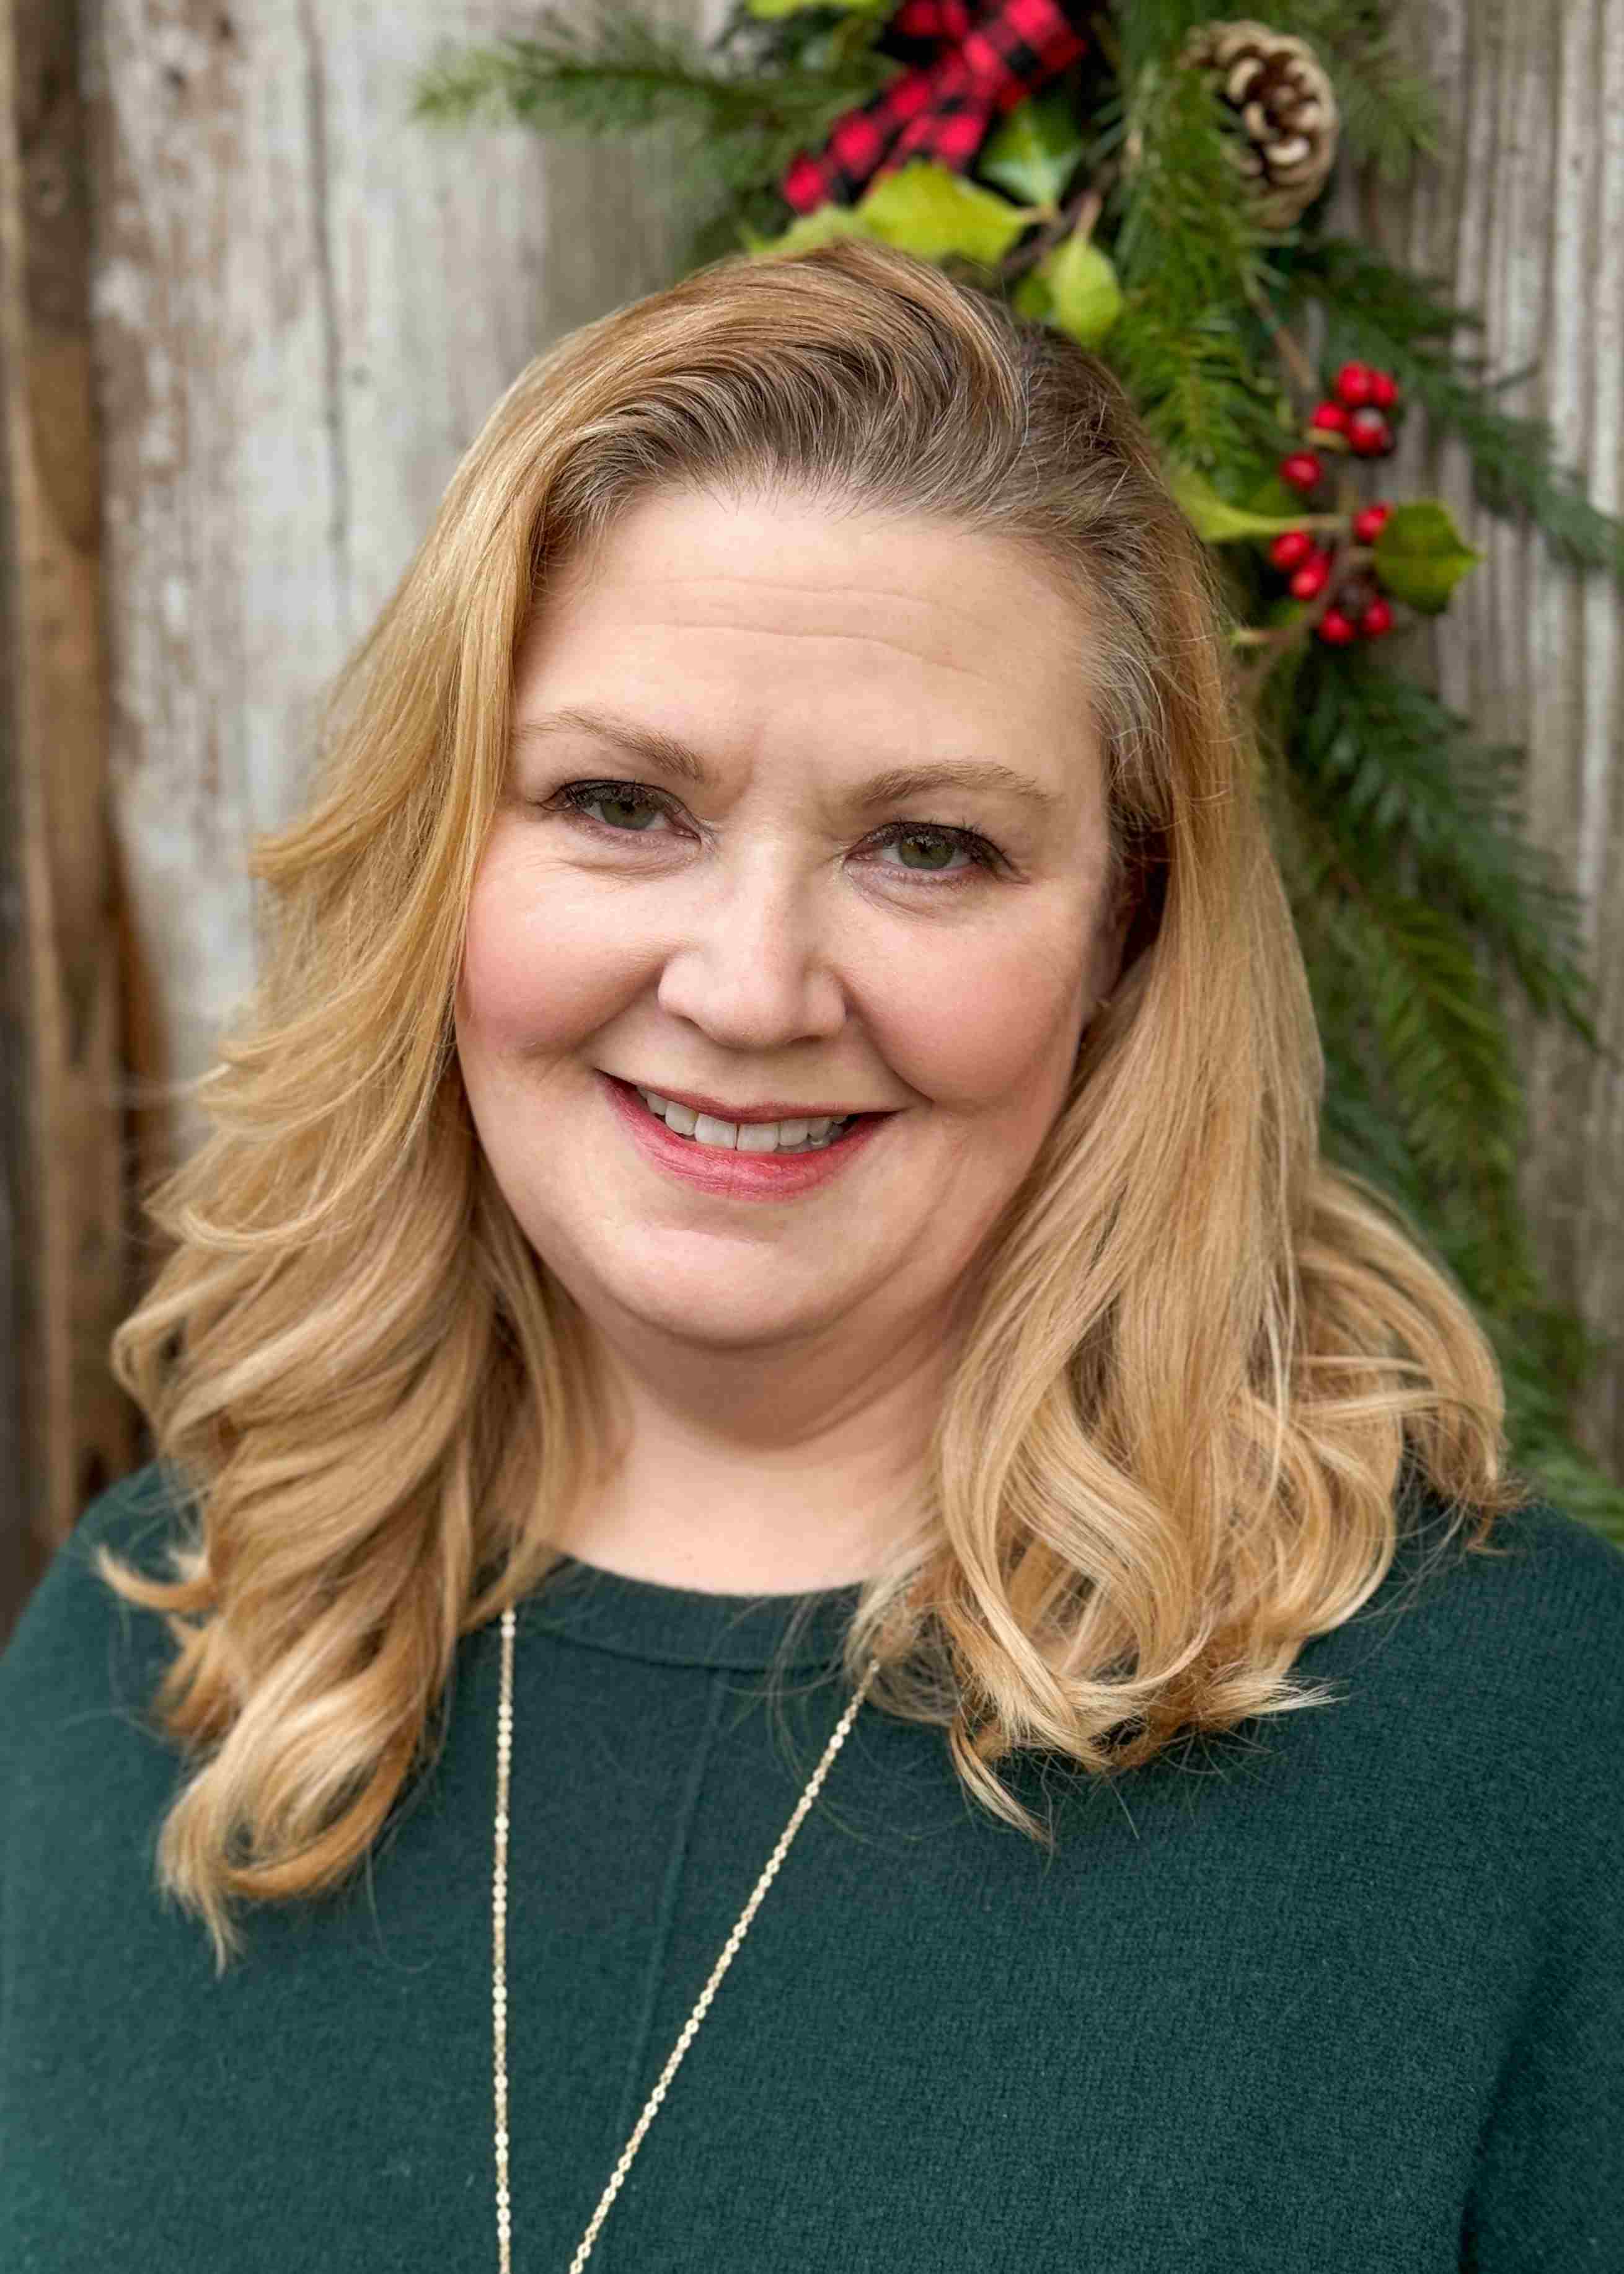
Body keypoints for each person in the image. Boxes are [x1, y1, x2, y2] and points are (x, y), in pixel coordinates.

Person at [2, 237, 1620, 2273]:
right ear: (437, 858)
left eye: (927, 845)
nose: (750, 986)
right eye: (621, 804)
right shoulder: (154, 1644)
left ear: (1121, 937)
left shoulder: (1513, 1744)